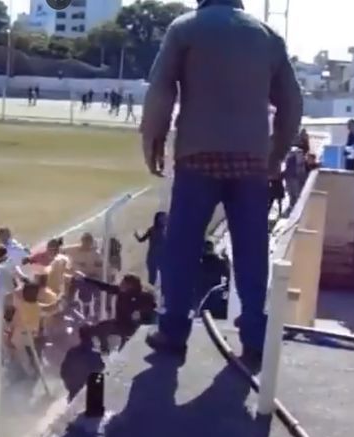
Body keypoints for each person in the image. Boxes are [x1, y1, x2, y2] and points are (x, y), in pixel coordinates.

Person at [139, 0, 302, 368]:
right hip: (250, 160)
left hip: (197, 155)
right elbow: (292, 102)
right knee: (251, 250)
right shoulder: (267, 36)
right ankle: (255, 336)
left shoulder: (185, 28)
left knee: (182, 246)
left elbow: (162, 89)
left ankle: (174, 330)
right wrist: (276, 155)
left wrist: (153, 140)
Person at [75, 273, 157, 353]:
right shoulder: (120, 292)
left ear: (130, 286)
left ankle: (115, 350)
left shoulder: (141, 297)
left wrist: (140, 313)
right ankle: (105, 350)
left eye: (123, 283)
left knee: (105, 329)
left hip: (132, 327)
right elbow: (104, 286)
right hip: (119, 324)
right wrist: (85, 279)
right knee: (100, 328)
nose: (120, 285)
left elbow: (151, 305)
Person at [59, 325, 105, 400]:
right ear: (93, 337)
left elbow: (63, 371)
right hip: (92, 396)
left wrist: (71, 387)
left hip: (75, 394)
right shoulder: (98, 355)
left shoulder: (72, 352)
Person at [134, 211, 167, 286]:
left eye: (165, 218)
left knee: (161, 279)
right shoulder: (154, 230)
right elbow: (141, 240)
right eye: (163, 218)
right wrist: (136, 235)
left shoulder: (166, 230)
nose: (165, 220)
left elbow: (141, 240)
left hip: (160, 257)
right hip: (154, 257)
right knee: (153, 279)